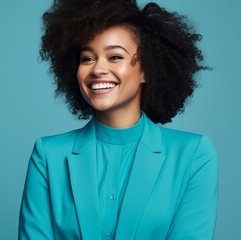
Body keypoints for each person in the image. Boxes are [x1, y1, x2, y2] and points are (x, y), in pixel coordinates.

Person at [18, 0, 218, 239]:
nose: (97, 69)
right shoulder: (48, 155)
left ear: (147, 69)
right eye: (87, 58)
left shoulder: (193, 155)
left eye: (114, 57)